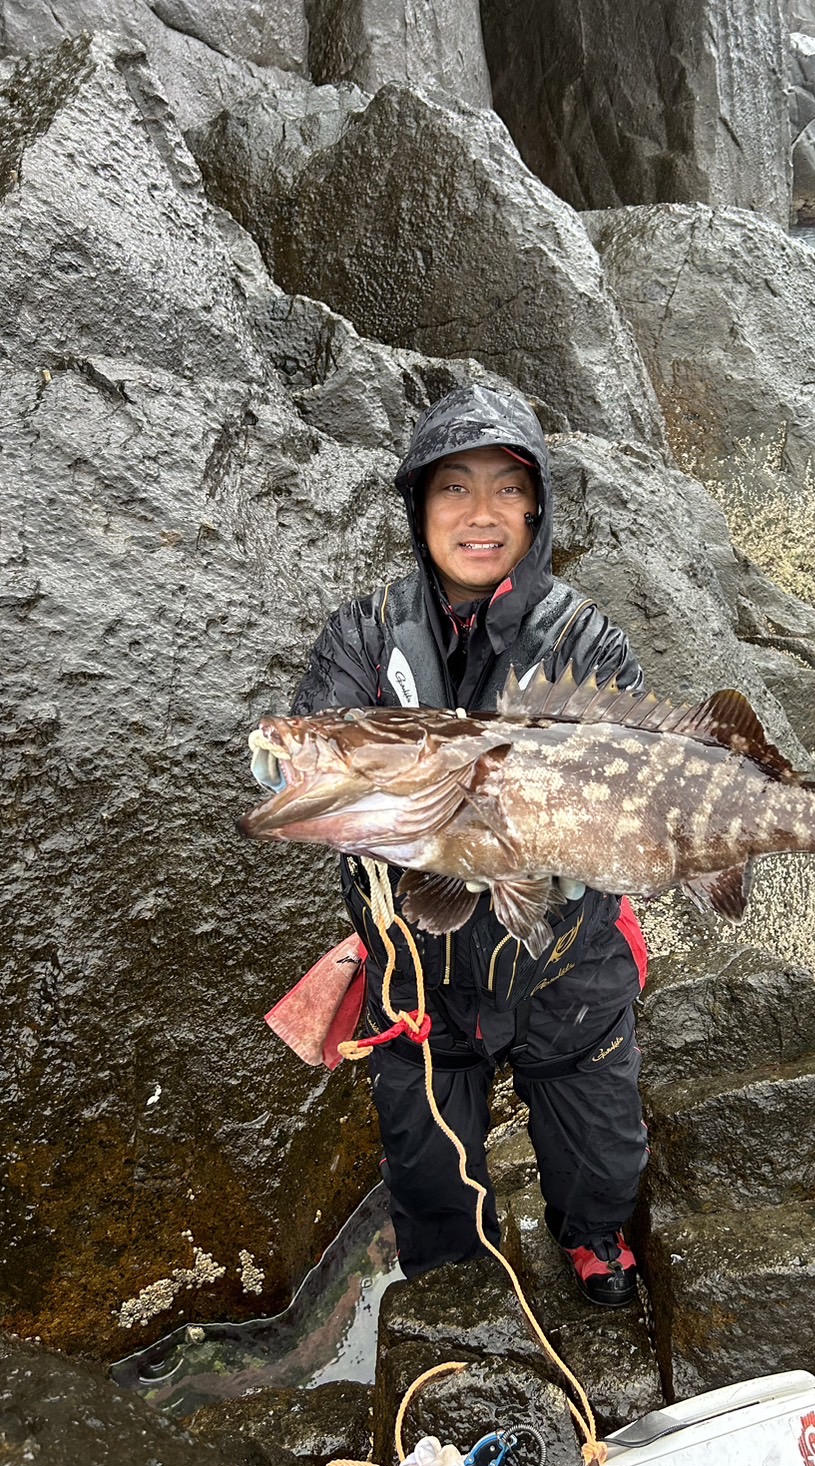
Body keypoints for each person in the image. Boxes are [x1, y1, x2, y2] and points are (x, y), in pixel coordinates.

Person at [292, 385, 649, 1307]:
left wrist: (590, 846)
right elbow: (321, 768)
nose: (481, 514)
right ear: (419, 507)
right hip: (418, 971)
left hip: (566, 961)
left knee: (602, 1146)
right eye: (454, 487)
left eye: (506, 489)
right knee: (426, 1170)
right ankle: (453, 1283)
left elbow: (632, 785)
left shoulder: (588, 640)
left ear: (536, 510)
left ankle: (594, 1232)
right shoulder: (362, 633)